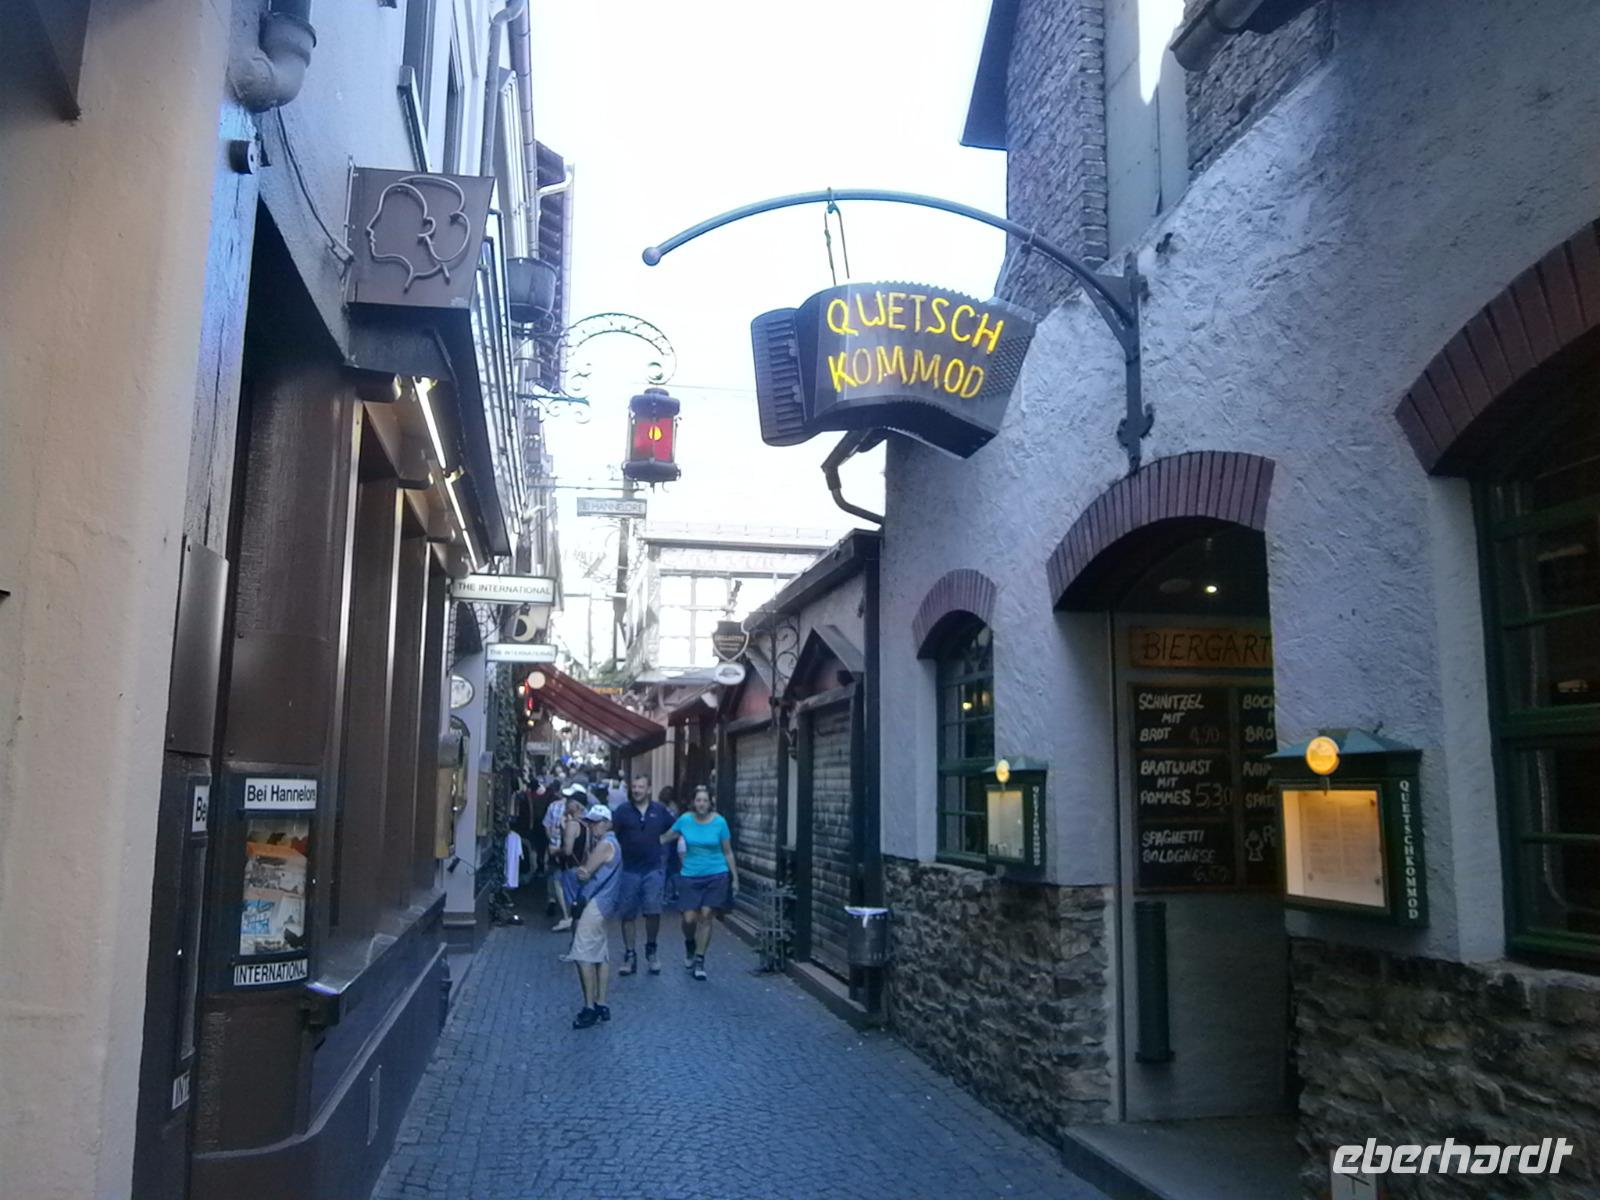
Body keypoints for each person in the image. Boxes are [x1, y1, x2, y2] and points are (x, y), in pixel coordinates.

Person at [660, 784, 738, 981]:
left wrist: (735, 877)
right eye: (698, 800)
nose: (701, 804)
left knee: (706, 915)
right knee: (688, 919)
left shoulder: (720, 822)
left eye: (705, 800)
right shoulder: (685, 820)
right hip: (690, 875)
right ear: (693, 803)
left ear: (710, 802)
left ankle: (700, 960)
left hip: (716, 874)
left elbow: (728, 851)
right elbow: (666, 837)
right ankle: (690, 943)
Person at [609, 773, 674, 976]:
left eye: (640, 787)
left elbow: (676, 827)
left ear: (649, 789)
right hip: (629, 869)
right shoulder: (622, 811)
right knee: (628, 914)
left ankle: (651, 949)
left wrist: (663, 841)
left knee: (653, 911)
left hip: (653, 869)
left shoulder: (659, 810)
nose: (637, 790)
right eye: (634, 787)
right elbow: (612, 833)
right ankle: (630, 955)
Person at [569, 803, 622, 1028]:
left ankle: (589, 1007)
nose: (593, 826)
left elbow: (584, 873)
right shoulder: (614, 843)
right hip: (607, 904)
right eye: (591, 822)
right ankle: (602, 1003)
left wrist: (580, 871)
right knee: (600, 954)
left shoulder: (605, 845)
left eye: (597, 822)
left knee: (582, 954)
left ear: (607, 823)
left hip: (596, 903)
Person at [548, 787, 588, 932]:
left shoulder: (572, 825)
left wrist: (555, 852)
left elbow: (568, 850)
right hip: (581, 866)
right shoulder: (586, 825)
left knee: (572, 902)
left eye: (570, 801)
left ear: (576, 806)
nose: (566, 803)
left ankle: (571, 924)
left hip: (570, 867)